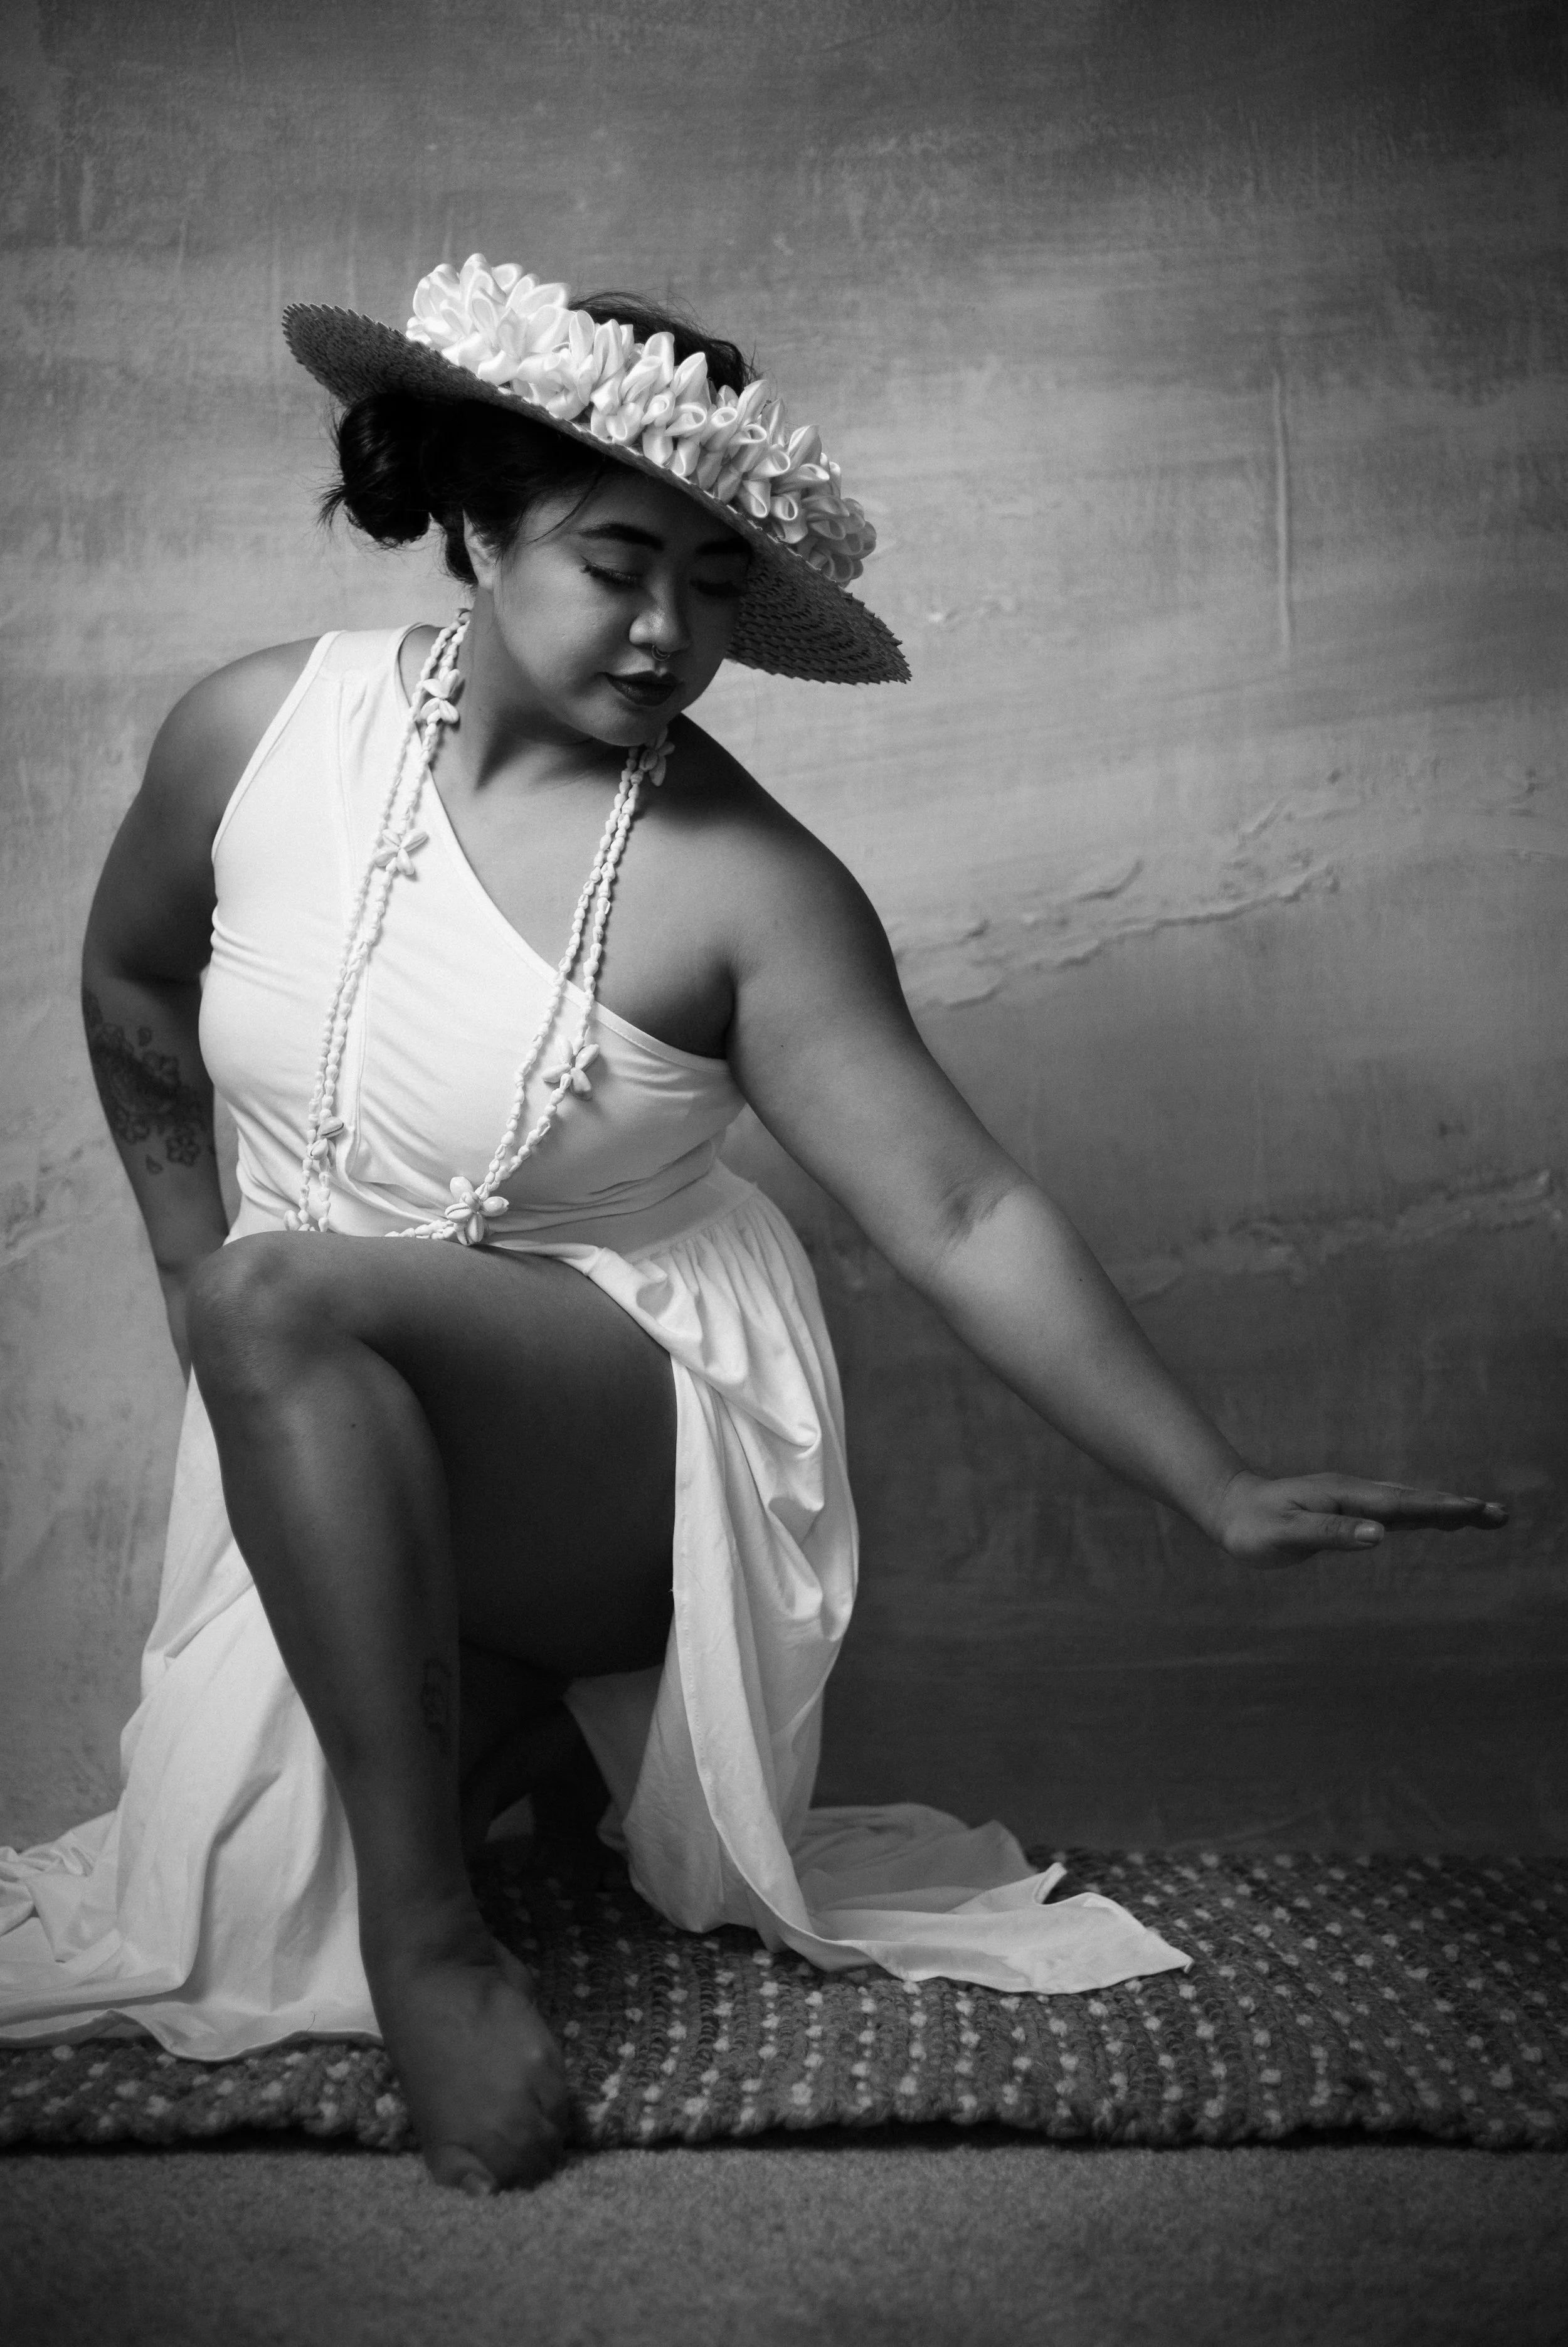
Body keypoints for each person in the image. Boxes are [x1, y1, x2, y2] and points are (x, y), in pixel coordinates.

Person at [0, 255, 1506, 2193]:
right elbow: (134, 993)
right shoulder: (252, 731)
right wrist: (189, 1282)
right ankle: (508, 1738)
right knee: (220, 1825)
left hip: (645, 1422)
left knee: (280, 1316)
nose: (666, 632)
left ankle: (436, 1943)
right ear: (470, 522)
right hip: (320, 1378)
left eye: (714, 583)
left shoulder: (745, 880)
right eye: (619, 560)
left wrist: (1205, 1483)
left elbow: (959, 1206)